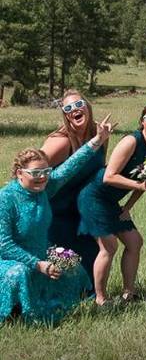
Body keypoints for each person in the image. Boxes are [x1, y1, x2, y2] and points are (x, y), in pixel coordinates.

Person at [1, 115, 115, 323]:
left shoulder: (46, 187)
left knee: (73, 266)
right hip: (10, 260)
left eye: (46, 171)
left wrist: (98, 140)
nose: (42, 176)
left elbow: (71, 165)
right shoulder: (6, 198)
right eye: (36, 172)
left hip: (41, 250)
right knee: (18, 274)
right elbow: (4, 244)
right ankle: (15, 314)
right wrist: (38, 264)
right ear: (19, 173)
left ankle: (64, 306)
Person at [77, 102, 146, 305]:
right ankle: (100, 299)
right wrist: (140, 184)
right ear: (142, 121)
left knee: (135, 242)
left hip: (112, 201)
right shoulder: (131, 141)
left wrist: (127, 208)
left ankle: (129, 294)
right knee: (109, 246)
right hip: (93, 196)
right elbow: (109, 177)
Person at [40, 89, 107, 284]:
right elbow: (31, 166)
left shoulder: (99, 134)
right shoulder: (60, 142)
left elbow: (98, 169)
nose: (74, 110)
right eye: (68, 107)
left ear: (87, 106)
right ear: (64, 113)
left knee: (90, 264)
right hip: (54, 214)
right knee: (62, 271)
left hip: (79, 211)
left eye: (79, 104)